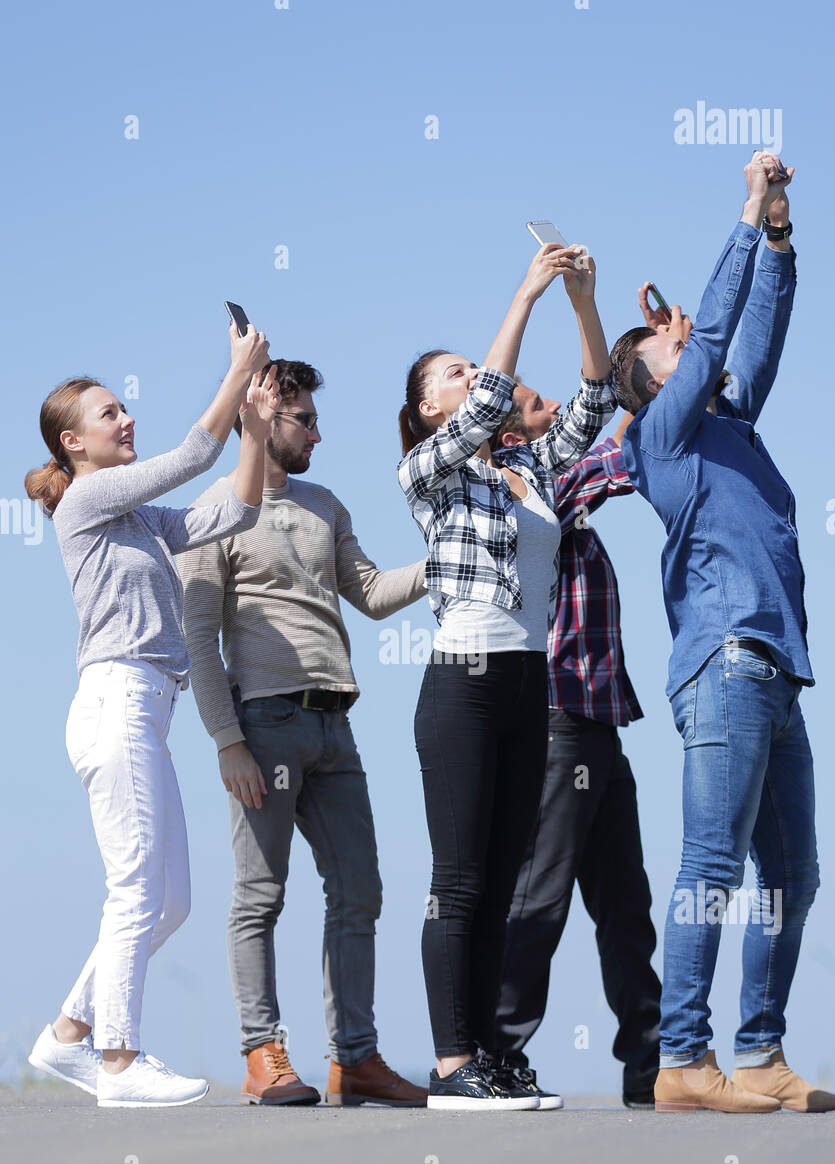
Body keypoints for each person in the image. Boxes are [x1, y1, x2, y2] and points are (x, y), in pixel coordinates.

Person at [610, 152, 835, 1113]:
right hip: (724, 663)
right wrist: (744, 214)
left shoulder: (729, 422)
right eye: (666, 346)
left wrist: (779, 233)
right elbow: (710, 334)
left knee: (793, 874)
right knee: (712, 866)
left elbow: (759, 331)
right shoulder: (655, 437)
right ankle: (681, 1058)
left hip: (779, 670)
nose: (685, 341)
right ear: (649, 382)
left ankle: (760, 1055)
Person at [25, 320, 277, 1107]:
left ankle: (68, 1034)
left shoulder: (135, 520)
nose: (126, 418)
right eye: (110, 414)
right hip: (117, 699)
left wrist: (256, 435)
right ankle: (120, 1060)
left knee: (169, 900)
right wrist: (237, 371)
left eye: (123, 408)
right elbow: (190, 457)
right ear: (74, 443)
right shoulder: (91, 498)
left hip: (143, 711)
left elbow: (226, 514)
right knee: (136, 890)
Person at [398, 241, 617, 1109]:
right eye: (453, 372)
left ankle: (485, 1053)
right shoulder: (426, 471)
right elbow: (494, 396)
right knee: (458, 879)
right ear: (427, 408)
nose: (475, 377)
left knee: (503, 879)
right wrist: (525, 293)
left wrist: (583, 303)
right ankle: (452, 1063)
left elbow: (595, 401)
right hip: (463, 681)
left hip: (532, 680)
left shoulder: (526, 470)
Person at [178, 359, 428, 1107]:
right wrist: (228, 741)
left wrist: (446, 562)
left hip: (336, 726)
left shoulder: (326, 505)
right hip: (265, 725)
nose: (318, 431)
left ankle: (356, 1060)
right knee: (261, 894)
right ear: (265, 416)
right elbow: (197, 635)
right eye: (304, 419)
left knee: (361, 891)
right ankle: (262, 1054)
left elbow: (375, 594)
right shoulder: (213, 511)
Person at [488, 390, 661, 1110]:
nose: (555, 403)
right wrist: (647, 378)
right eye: (535, 402)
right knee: (542, 897)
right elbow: (623, 453)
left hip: (598, 726)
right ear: (507, 433)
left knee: (625, 903)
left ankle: (651, 1062)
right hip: (561, 726)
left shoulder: (561, 493)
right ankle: (497, 1053)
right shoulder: (527, 483)